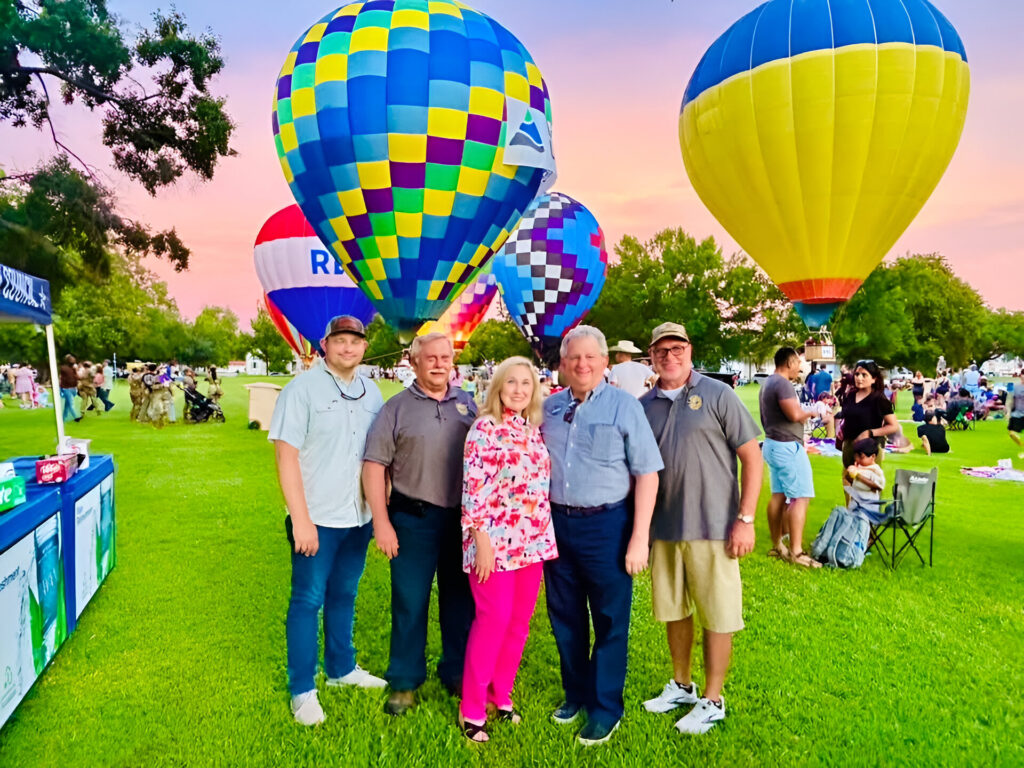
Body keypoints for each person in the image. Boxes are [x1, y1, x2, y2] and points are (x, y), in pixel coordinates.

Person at [540, 325, 663, 746]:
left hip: (607, 525)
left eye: (591, 357)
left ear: (606, 363)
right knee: (565, 616)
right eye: (574, 357)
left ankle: (605, 707)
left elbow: (647, 473)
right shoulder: (549, 409)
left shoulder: (625, 407)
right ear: (562, 364)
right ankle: (575, 694)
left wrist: (638, 538)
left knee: (610, 620)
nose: (582, 364)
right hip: (556, 525)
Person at [639, 323, 763, 735]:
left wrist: (745, 519)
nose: (669, 356)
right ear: (651, 355)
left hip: (714, 525)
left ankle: (713, 699)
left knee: (718, 612)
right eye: (661, 350)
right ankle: (682, 685)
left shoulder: (717, 394)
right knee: (675, 610)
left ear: (690, 349)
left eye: (676, 348)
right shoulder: (644, 405)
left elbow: (753, 458)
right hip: (665, 526)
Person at [269, 315, 386, 727]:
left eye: (355, 341)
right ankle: (303, 690)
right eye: (340, 340)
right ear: (325, 344)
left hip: (358, 516)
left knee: (344, 595)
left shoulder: (372, 392)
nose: (348, 348)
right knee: (307, 601)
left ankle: (341, 669)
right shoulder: (302, 390)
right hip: (316, 517)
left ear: (364, 346)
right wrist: (300, 520)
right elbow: (286, 457)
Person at [362, 332, 477, 716]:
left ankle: (457, 671)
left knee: (460, 602)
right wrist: (381, 522)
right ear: (413, 362)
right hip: (412, 518)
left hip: (461, 520)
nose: (440, 363)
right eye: (431, 358)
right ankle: (405, 681)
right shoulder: (395, 409)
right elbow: (374, 466)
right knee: (410, 601)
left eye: (446, 357)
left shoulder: (469, 404)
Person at [457, 357, 558, 743]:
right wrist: (481, 541)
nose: (518, 389)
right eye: (511, 382)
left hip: (531, 542)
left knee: (518, 623)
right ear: (498, 386)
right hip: (492, 545)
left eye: (526, 384)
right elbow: (474, 488)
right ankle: (472, 708)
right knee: (492, 620)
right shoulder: (484, 429)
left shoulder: (532, 431)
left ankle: (502, 697)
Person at [759, 347, 819, 568]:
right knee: (800, 497)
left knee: (778, 495)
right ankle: (796, 551)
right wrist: (813, 411)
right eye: (798, 363)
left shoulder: (768, 382)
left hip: (772, 444)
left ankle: (778, 545)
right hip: (787, 446)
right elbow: (794, 414)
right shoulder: (783, 383)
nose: (800, 367)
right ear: (790, 362)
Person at [837, 360, 898, 493]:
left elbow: (893, 426)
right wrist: (842, 428)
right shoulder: (850, 395)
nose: (859, 378)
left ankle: (870, 513)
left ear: (874, 379)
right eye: (857, 374)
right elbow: (847, 415)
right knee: (848, 477)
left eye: (864, 375)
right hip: (849, 444)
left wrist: (870, 433)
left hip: (869, 447)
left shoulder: (879, 399)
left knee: (868, 482)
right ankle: (850, 511)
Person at [844, 438, 885, 504]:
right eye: (856, 457)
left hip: (868, 503)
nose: (857, 460)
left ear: (873, 456)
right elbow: (851, 481)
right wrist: (849, 474)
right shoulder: (859, 466)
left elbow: (878, 486)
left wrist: (858, 476)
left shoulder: (875, 470)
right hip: (856, 501)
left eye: (861, 457)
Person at [58, 354, 82, 423]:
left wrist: (76, 370)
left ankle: (63, 418)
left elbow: (78, 378)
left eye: (74, 359)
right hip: (66, 388)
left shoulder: (73, 369)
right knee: (71, 404)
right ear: (67, 361)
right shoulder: (63, 368)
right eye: (71, 359)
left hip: (73, 388)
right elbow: (61, 378)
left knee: (67, 405)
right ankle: (76, 417)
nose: (73, 360)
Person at [1007, 374, 1024, 459]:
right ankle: (1022, 446)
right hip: (1017, 414)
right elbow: (1011, 400)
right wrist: (1008, 412)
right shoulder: (1016, 388)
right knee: (1011, 433)